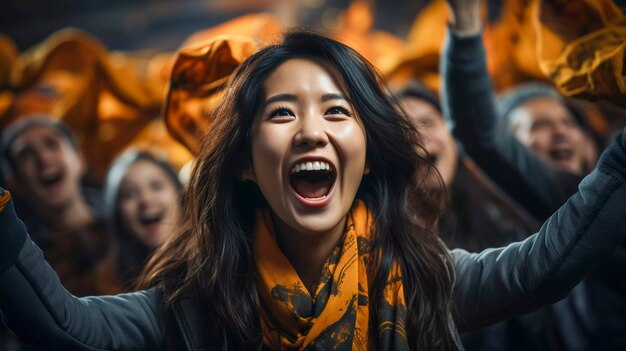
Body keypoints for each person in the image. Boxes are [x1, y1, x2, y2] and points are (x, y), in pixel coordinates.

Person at [0, 29, 625, 351]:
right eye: (280, 114)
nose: (309, 131)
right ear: (245, 164)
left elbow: (549, 265)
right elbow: (66, 329)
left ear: (367, 154)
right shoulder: (193, 306)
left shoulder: (424, 278)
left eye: (335, 111)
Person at [441, 0, 626, 349]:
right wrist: (465, 23)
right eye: (539, 126)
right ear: (508, 154)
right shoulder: (563, 204)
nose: (561, 133)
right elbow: (478, 131)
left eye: (569, 122)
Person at [0, 116, 107, 295]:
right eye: (26, 154)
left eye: (52, 144)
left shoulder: (128, 224)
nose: (43, 158)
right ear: (15, 182)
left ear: (79, 160)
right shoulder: (23, 264)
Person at [97, 149, 183, 294]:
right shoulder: (107, 282)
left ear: (179, 194)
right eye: (129, 194)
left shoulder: (217, 252)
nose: (146, 200)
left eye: (156, 186)